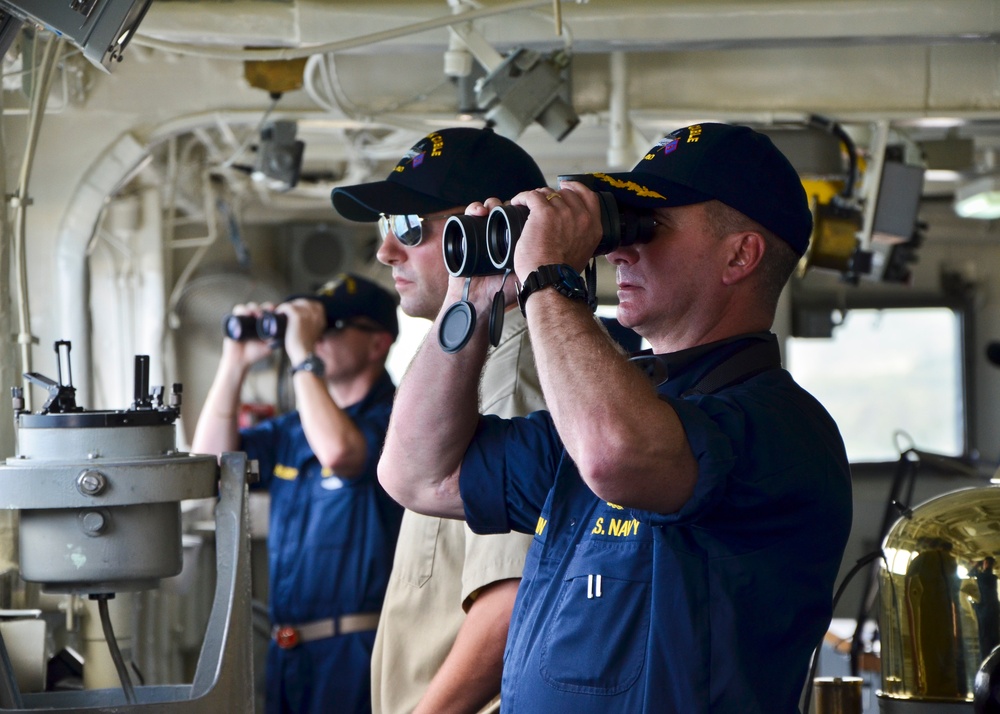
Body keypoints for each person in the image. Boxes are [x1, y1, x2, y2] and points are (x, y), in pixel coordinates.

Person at [378, 122, 854, 713]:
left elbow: (616, 457)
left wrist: (548, 277)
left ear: (740, 254)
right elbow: (417, 474)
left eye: (650, 226)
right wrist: (469, 298)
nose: (620, 247)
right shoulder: (605, 420)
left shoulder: (778, 428)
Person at [330, 126, 548, 714]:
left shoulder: (515, 361)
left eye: (409, 227)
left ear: (491, 234)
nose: (386, 251)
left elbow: (511, 599)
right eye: (387, 227)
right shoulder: (472, 360)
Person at [191, 273, 403, 714]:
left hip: (359, 651)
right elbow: (209, 468)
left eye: (331, 328)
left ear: (378, 343)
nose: (316, 338)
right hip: (289, 650)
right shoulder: (294, 430)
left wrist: (302, 354)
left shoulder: (400, 421)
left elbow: (342, 451)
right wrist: (234, 363)